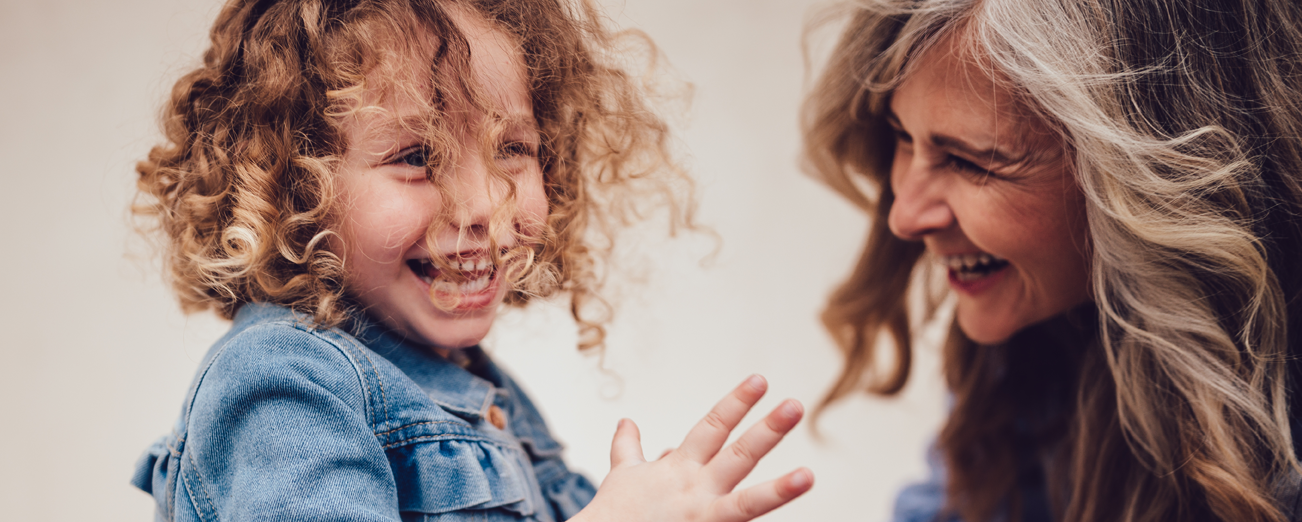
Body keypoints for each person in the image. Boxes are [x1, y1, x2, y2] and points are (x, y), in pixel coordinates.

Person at [127, 0, 814, 520]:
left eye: (511, 148)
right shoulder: (281, 382)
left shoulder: (481, 393)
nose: (482, 201)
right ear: (291, 185)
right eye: (416, 157)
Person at [803, 0, 1302, 521]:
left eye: (972, 161)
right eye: (904, 137)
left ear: (1154, 180)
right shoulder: (1031, 336)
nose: (904, 216)